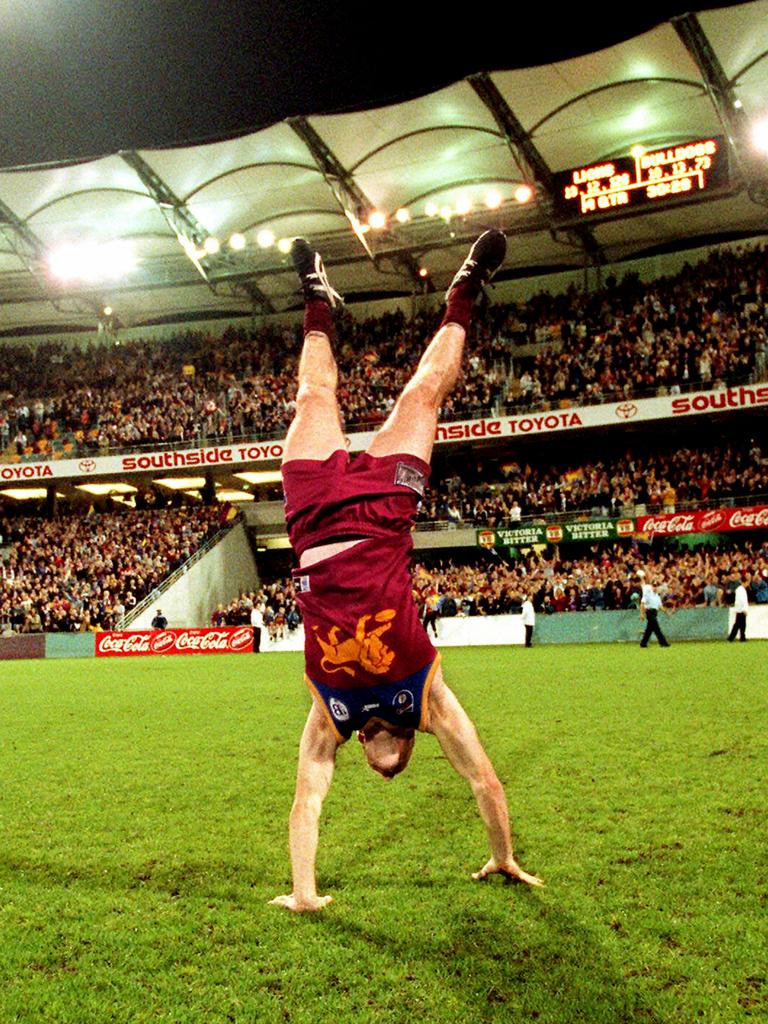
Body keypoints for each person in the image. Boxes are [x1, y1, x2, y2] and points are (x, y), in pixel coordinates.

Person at [270, 232, 543, 913]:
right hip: (384, 514)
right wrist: (502, 856)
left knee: (311, 399)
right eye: (393, 755)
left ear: (362, 746)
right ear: (409, 743)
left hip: (310, 522)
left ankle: (315, 298)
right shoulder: (427, 697)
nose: (381, 750)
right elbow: (483, 780)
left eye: (375, 757)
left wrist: (305, 893)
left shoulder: (328, 715)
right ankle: (467, 287)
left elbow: (308, 797)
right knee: (423, 396)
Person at [639, 583, 670, 648]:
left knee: (649, 630)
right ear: (651, 587)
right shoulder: (647, 594)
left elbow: (660, 606)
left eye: (656, 586)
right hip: (649, 612)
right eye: (654, 586)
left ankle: (643, 643)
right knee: (657, 628)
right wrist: (642, 613)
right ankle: (663, 642)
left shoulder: (657, 596)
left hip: (655, 612)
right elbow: (642, 604)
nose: (655, 587)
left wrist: (665, 611)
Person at [727, 575, 749, 642]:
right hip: (741, 610)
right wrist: (744, 609)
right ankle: (735, 637)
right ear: (744, 582)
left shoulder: (739, 589)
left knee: (739, 624)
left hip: (739, 609)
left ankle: (740, 637)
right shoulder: (741, 590)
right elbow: (743, 601)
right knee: (739, 625)